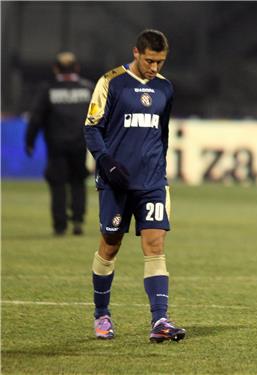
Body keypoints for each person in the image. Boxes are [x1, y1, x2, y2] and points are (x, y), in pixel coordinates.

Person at [84, 29, 185, 343]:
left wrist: (159, 168)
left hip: (152, 181)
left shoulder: (165, 88)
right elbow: (91, 128)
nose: (155, 68)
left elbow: (162, 133)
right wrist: (106, 161)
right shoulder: (111, 82)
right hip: (116, 182)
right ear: (137, 53)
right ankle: (102, 314)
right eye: (150, 61)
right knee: (110, 244)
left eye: (161, 62)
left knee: (155, 245)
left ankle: (160, 321)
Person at [25, 52, 93, 236]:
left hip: (56, 145)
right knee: (78, 181)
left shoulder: (48, 89)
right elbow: (101, 116)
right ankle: (78, 220)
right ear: (76, 68)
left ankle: (60, 225)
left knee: (58, 184)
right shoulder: (88, 88)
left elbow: (36, 118)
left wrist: (29, 141)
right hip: (80, 144)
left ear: (55, 69)